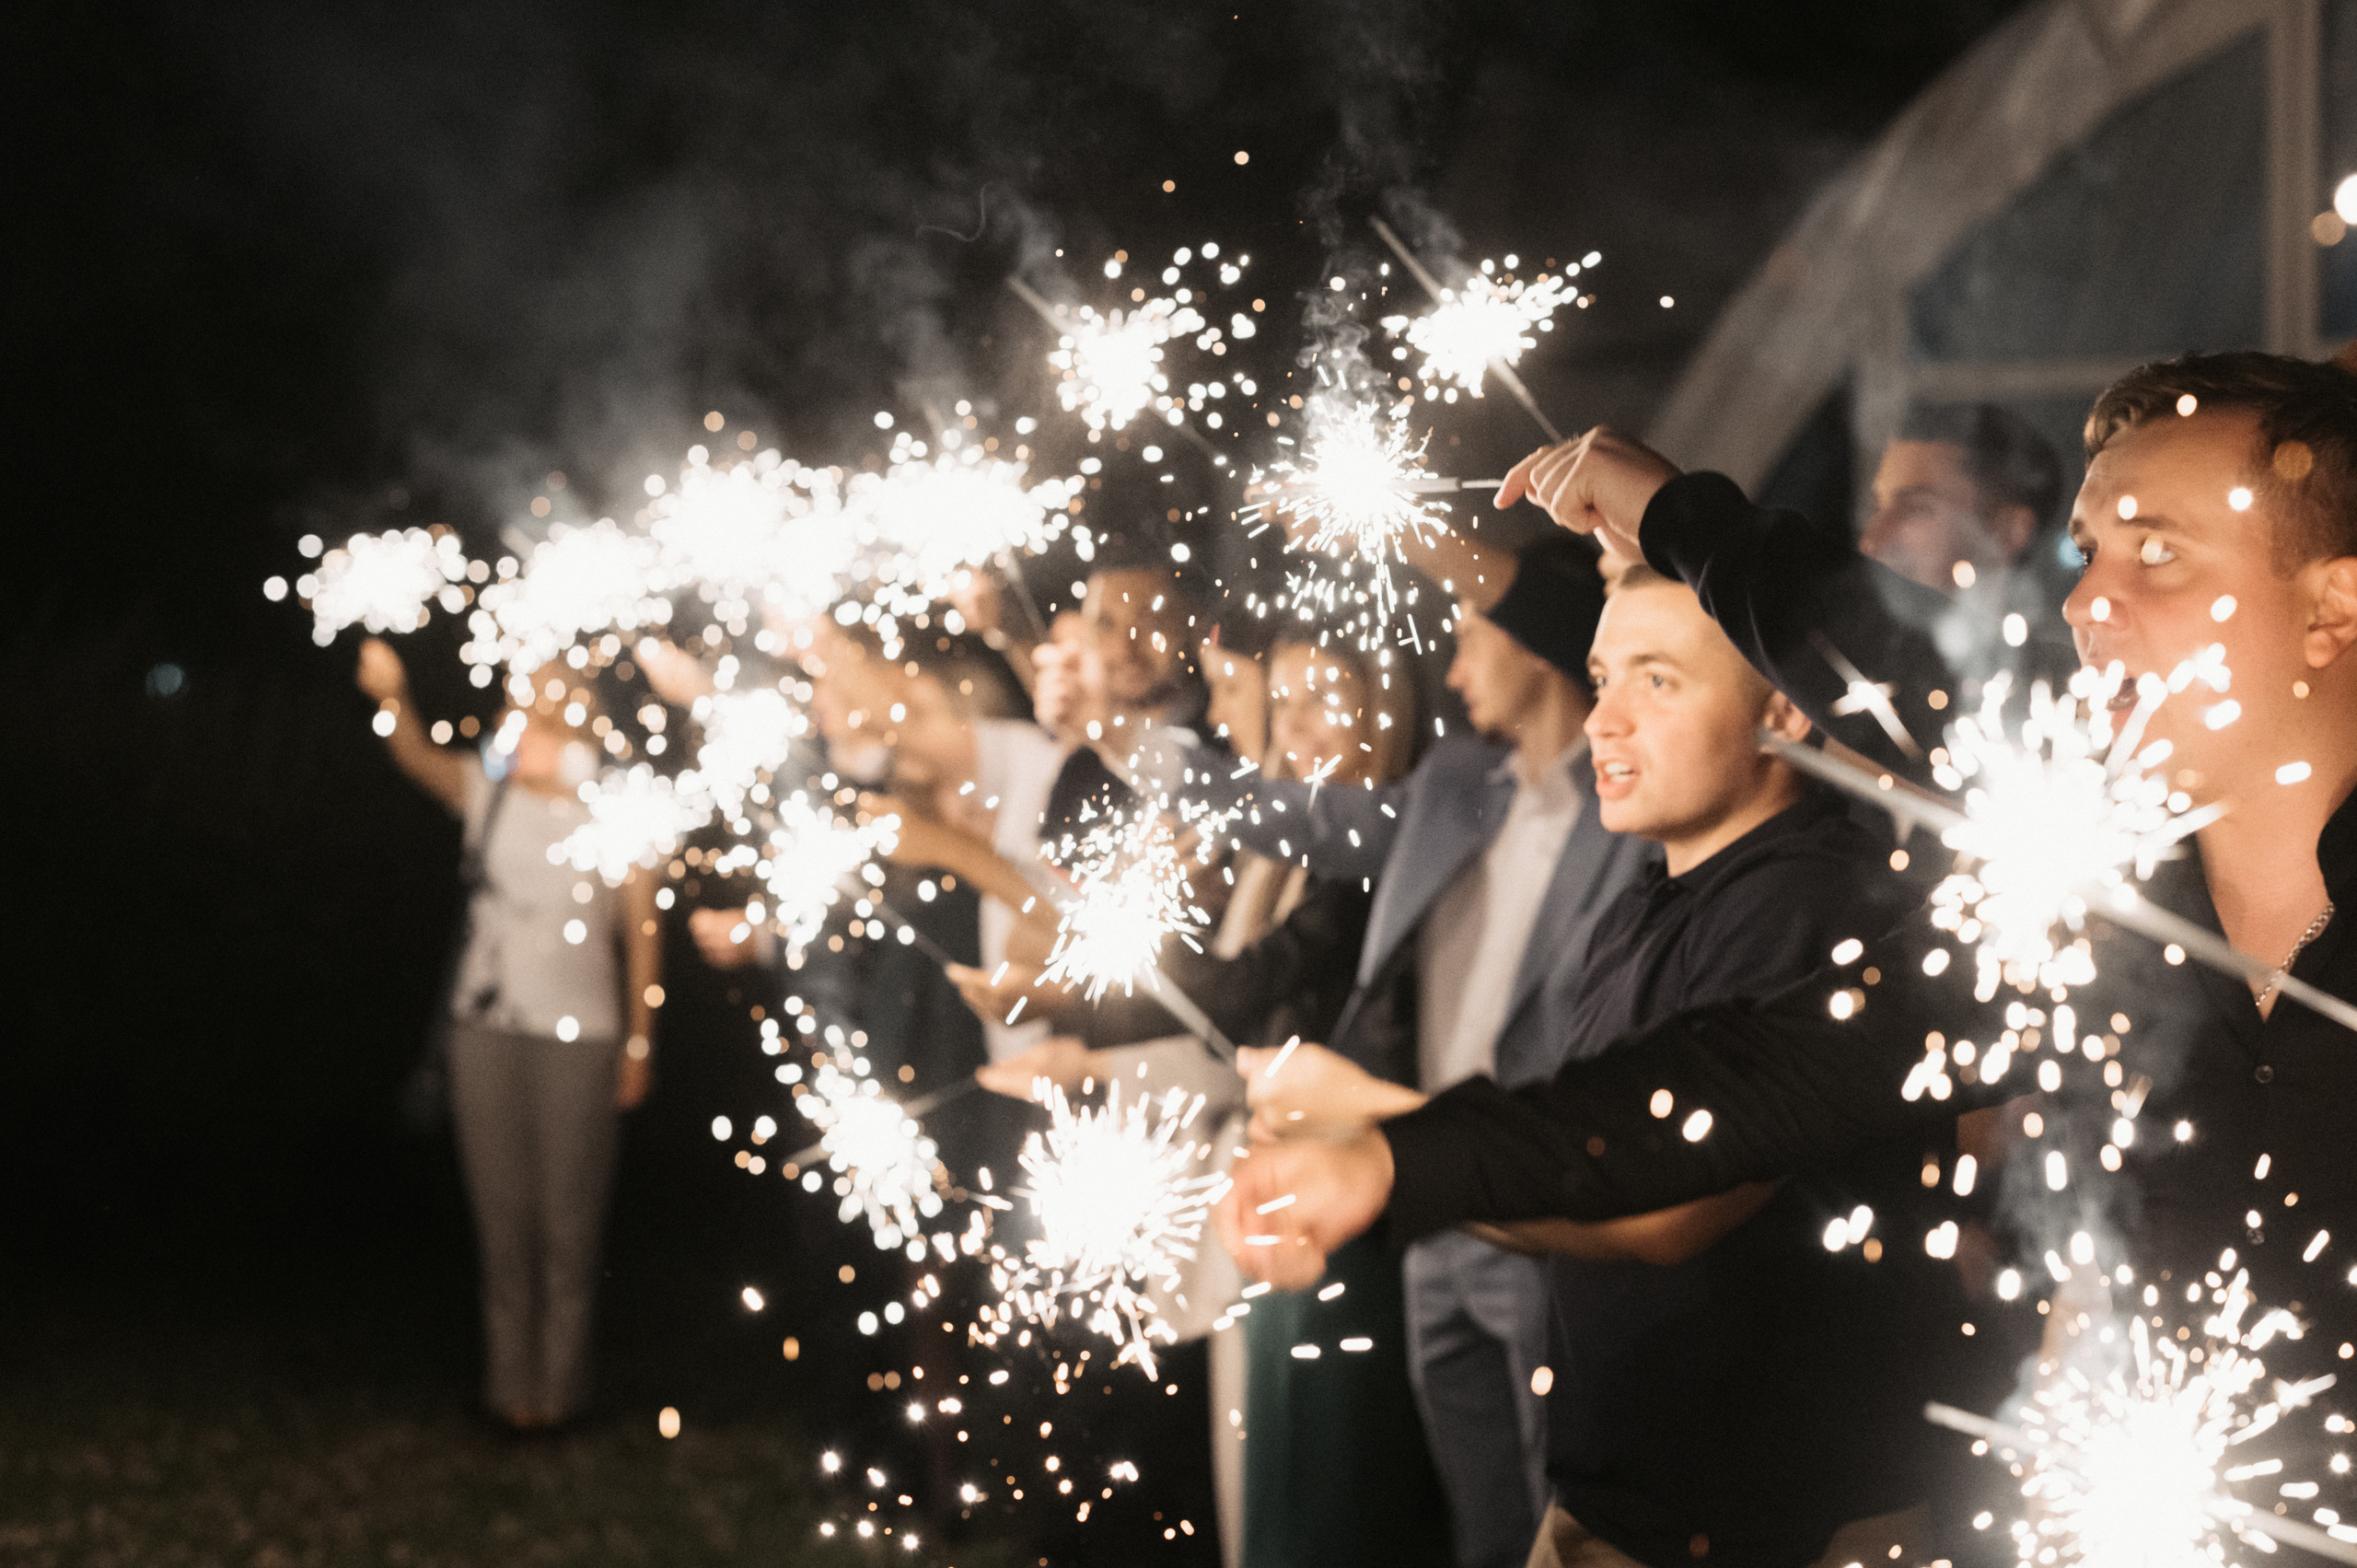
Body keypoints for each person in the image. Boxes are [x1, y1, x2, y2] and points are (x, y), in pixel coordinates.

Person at [1221, 350, 2357, 1524]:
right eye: (2088, 553)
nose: (2084, 604)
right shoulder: (2095, 917)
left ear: (2332, 606)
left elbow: (1901, 668)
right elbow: (1758, 1072)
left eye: (2157, 553)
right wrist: (1398, 1158)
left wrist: (1682, 518)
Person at [1226, 567, 1948, 1568]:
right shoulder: (1646, 899)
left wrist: (1379, 1131)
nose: (1602, 720)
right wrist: (1374, 1158)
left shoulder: (1809, 901)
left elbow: (1668, 1205)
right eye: (1601, 677)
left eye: (1655, 681)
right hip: (1626, 1502)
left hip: (1773, 1526)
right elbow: (1582, 1176)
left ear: (1783, 704)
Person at [1143, 534, 1646, 1568]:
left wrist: (1413, 532)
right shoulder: (1459, 780)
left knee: (1567, 1513)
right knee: (1479, 1517)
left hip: (1549, 1208)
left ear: (1540, 644)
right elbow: (1315, 820)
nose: (1452, 668)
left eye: (1470, 636)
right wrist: (1150, 766)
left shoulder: (1626, 809)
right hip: (1427, 1193)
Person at [981, 627, 1444, 1568]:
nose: (1296, 725)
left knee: (1316, 1492)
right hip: (1254, 1186)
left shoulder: (1365, 866)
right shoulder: (1273, 851)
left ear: (1387, 711)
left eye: (1327, 697)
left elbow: (1235, 1003)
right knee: (1250, 1474)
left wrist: (1095, 939)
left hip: (1338, 1208)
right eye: (1282, 700)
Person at [355, 637, 659, 1433]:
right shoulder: (488, 794)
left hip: (584, 1034)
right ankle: (509, 1395)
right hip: (483, 1030)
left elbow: (644, 932)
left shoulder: (620, 810)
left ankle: (560, 1396)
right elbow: (414, 754)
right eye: (515, 703)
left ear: (576, 718)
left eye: (534, 704)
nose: (512, 717)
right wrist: (391, 694)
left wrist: (640, 1039)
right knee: (501, 1221)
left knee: (568, 1221)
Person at [1860, 402, 2076, 689]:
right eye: (1875, 508)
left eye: (1915, 508)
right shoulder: (1850, 670)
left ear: (2008, 533)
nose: (1871, 541)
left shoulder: (2060, 691)